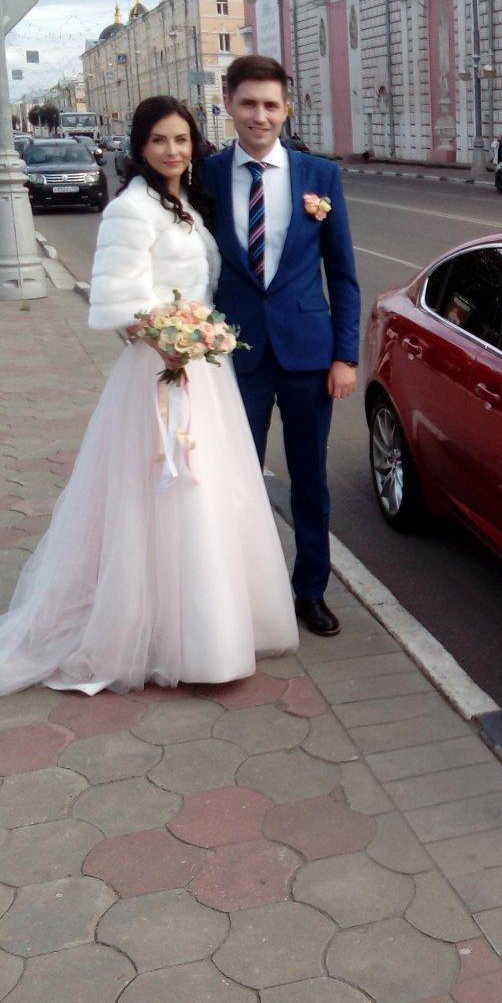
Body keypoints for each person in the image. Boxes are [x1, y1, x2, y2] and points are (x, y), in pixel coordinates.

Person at [0, 95, 298, 699]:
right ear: (140, 147)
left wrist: (199, 339)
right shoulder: (131, 209)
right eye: (159, 140)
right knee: (167, 494)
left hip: (203, 369)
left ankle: (213, 630)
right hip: (161, 373)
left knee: (207, 491)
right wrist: (168, 341)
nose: (172, 150)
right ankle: (173, 640)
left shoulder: (184, 204)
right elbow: (120, 300)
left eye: (181, 139)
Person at [205, 54, 361, 638]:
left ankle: (310, 590)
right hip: (233, 354)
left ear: (286, 109)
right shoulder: (206, 175)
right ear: (228, 104)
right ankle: (246, 592)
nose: (260, 115)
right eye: (248, 103)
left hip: (307, 356)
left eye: (271, 104)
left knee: (309, 480)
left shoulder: (320, 177)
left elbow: (342, 274)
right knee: (235, 479)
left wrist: (345, 356)